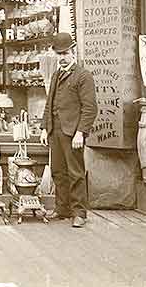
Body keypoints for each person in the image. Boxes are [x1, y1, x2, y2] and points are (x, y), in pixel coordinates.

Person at [39, 32, 98, 228]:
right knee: (58, 171)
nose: (62, 58)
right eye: (59, 54)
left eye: (65, 53)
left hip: (73, 133)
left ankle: (79, 212)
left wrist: (81, 132)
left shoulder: (83, 76)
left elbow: (90, 108)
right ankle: (62, 208)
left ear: (73, 52)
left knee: (75, 172)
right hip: (55, 130)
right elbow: (50, 103)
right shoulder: (57, 75)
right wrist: (44, 128)